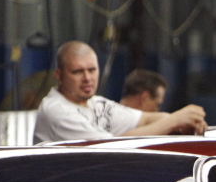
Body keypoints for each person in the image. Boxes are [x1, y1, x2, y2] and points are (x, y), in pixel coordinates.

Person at [33, 41, 206, 143]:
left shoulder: (96, 104)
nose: (87, 78)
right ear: (59, 75)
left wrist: (183, 125)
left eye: (92, 70)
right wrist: (174, 121)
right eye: (78, 72)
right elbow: (111, 145)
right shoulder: (57, 111)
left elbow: (145, 119)